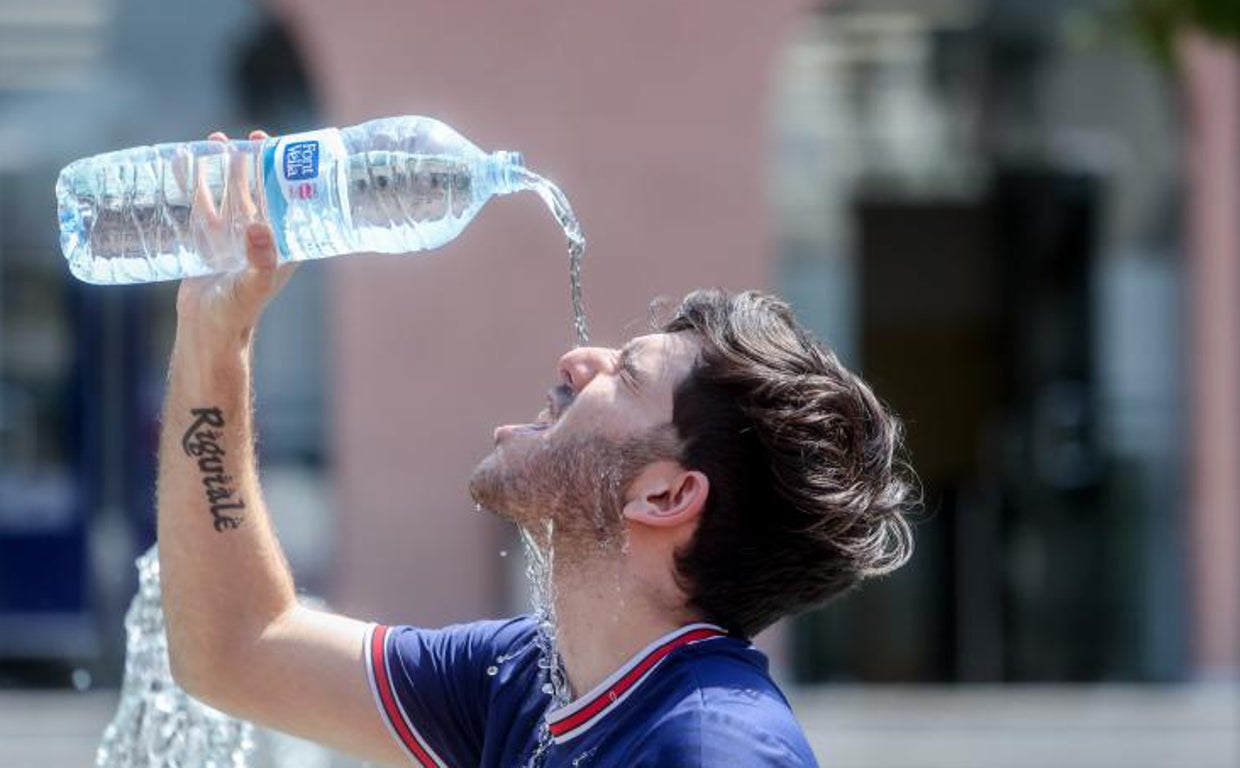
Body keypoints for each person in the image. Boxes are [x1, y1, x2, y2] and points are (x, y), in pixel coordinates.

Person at [159, 130, 918, 767]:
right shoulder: (530, 678)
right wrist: (214, 337)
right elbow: (238, 648)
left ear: (665, 495)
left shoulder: (714, 746)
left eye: (624, 374)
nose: (575, 361)